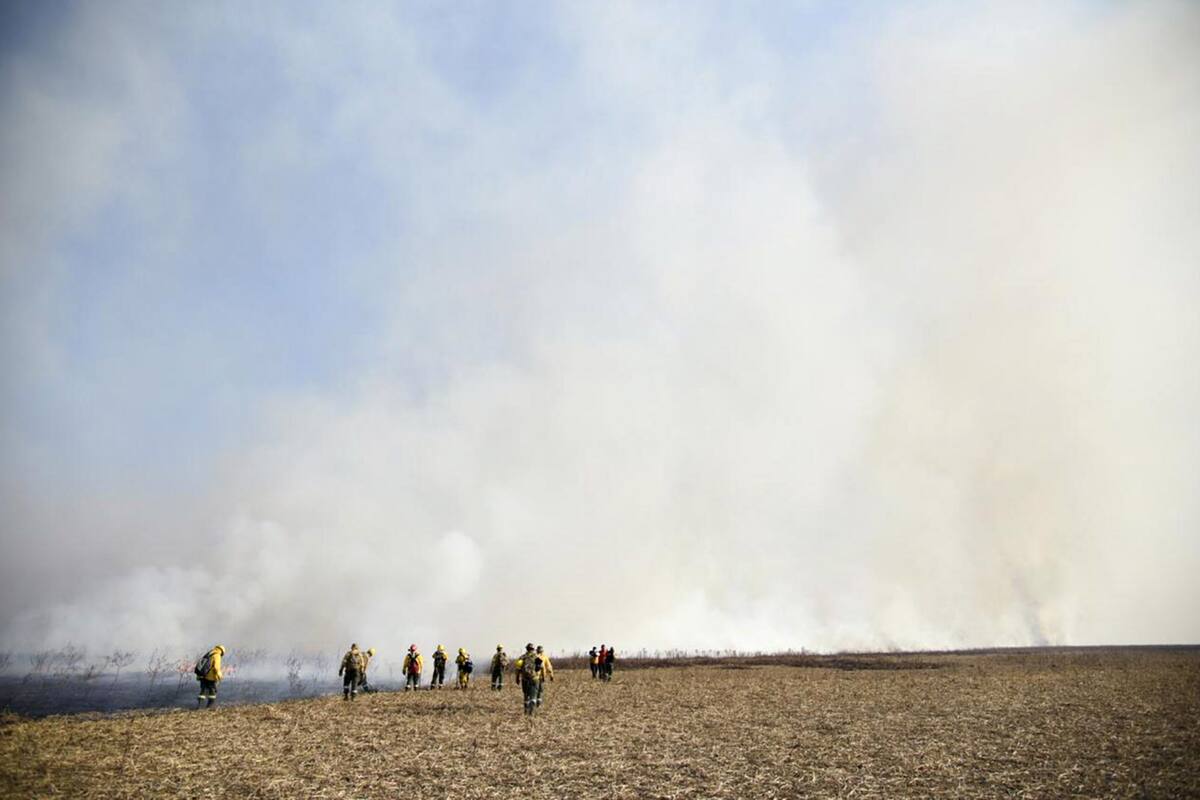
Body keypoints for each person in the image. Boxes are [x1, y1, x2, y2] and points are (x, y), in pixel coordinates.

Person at [514, 642, 548, 715]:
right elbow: (542, 668)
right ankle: (531, 712)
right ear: (533, 649)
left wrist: (517, 678)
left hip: (525, 679)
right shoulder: (537, 657)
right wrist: (543, 677)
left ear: (526, 649)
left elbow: (518, 669)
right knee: (533, 696)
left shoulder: (522, 658)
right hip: (535, 679)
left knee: (526, 695)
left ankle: (526, 712)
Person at [195, 644, 225, 709]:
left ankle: (199, 706)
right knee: (212, 691)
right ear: (222, 651)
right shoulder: (217, 655)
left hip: (203, 676)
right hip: (210, 677)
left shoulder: (209, 653)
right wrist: (220, 676)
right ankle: (210, 706)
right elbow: (216, 668)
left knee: (203, 691)